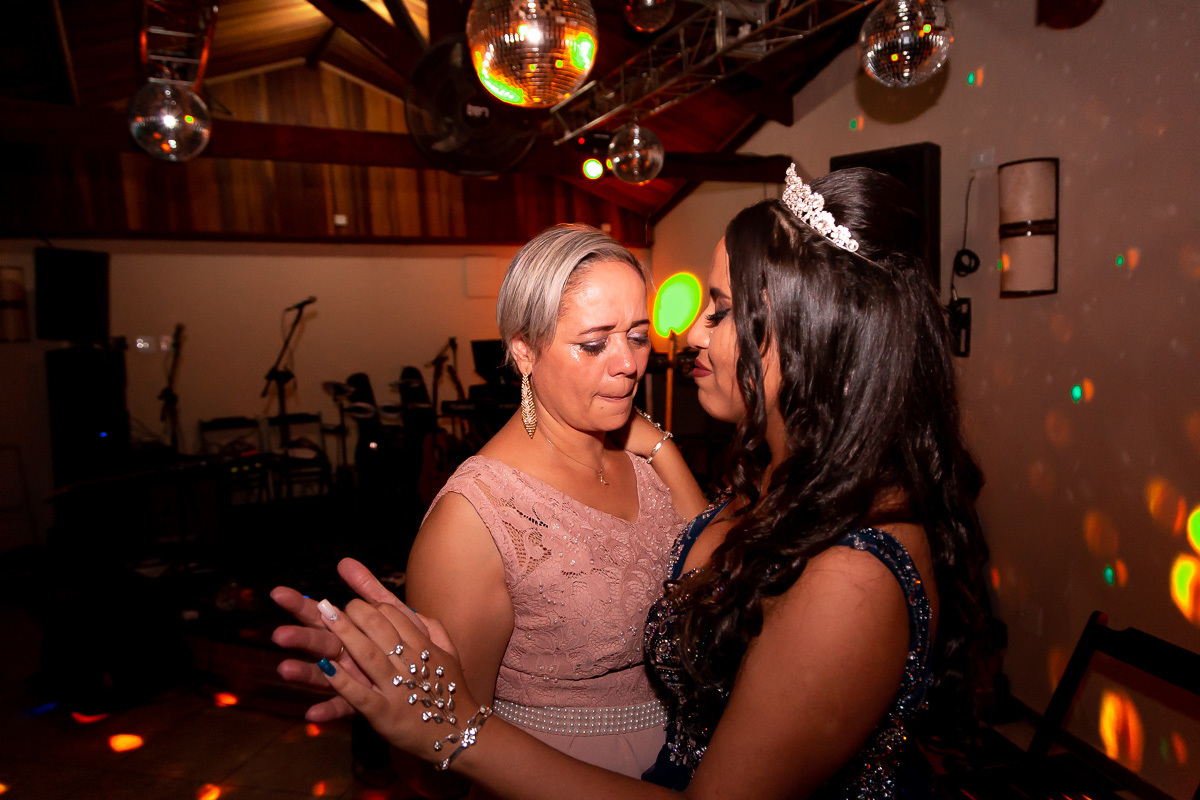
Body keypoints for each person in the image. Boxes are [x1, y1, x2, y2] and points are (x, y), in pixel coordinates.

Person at [307, 165, 990, 799]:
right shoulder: (796, 485)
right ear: (523, 349)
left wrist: (459, 731)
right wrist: (427, 718)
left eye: (718, 311)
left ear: (808, 338)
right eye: (594, 341)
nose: (667, 345)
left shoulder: (850, 567)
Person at [272, 223, 708, 782]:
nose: (627, 363)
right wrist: (407, 704)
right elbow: (438, 764)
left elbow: (713, 580)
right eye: (594, 343)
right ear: (524, 352)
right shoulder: (477, 518)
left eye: (639, 336)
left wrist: (664, 449)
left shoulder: (644, 458)